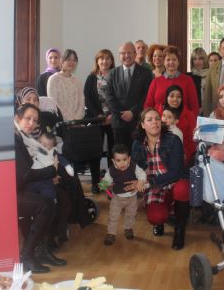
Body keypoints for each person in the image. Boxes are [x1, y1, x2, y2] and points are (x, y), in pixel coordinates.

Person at [14, 103, 67, 273]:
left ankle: (42, 250)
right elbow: (24, 175)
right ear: (17, 118)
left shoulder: (24, 138)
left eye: (35, 120)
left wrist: (51, 173)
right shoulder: (15, 138)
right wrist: (51, 171)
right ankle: (28, 254)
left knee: (62, 199)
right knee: (46, 204)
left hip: (22, 186)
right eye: (27, 118)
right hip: (11, 191)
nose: (31, 123)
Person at [131, 108, 190, 250]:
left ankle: (179, 230)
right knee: (155, 217)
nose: (155, 122)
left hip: (172, 181)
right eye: (149, 119)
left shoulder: (173, 140)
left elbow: (176, 171)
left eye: (157, 118)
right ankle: (164, 217)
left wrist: (150, 183)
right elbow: (133, 169)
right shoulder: (137, 144)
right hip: (154, 187)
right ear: (142, 125)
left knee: (183, 189)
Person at [106, 42, 152, 147]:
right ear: (119, 56)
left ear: (135, 54)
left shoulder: (146, 73)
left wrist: (132, 112)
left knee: (137, 155)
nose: (127, 56)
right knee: (119, 155)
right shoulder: (112, 73)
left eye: (130, 52)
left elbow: (146, 96)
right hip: (118, 123)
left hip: (137, 121)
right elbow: (109, 97)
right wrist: (121, 113)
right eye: (123, 53)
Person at [100, 144, 147, 246]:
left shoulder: (134, 166)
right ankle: (111, 233)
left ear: (129, 159)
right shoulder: (112, 170)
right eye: (118, 160)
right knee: (113, 217)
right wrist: (103, 184)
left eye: (124, 159)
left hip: (132, 197)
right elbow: (107, 180)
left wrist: (141, 182)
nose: (122, 163)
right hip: (117, 198)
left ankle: (128, 228)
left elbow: (142, 174)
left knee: (131, 215)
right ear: (113, 161)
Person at [83, 49, 115, 192]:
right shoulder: (91, 78)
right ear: (97, 61)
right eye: (101, 58)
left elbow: (120, 97)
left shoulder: (116, 76)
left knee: (113, 152)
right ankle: (96, 183)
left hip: (113, 120)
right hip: (96, 120)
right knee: (95, 152)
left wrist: (111, 116)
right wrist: (99, 116)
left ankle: (110, 183)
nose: (104, 61)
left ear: (111, 61)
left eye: (108, 58)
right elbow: (88, 99)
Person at [144, 45, 200, 117]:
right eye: (168, 60)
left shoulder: (187, 80)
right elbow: (148, 105)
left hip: (183, 123)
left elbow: (194, 106)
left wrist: (192, 123)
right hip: (159, 123)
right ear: (164, 62)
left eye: (174, 59)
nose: (171, 62)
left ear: (178, 62)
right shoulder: (156, 82)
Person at [156, 85, 197, 167]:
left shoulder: (189, 115)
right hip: (159, 150)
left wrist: (186, 154)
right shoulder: (158, 112)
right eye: (171, 96)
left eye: (179, 96)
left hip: (182, 153)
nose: (175, 99)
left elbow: (193, 140)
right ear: (166, 97)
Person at [47, 49, 85, 121]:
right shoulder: (53, 79)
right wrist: (69, 120)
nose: (72, 62)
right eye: (68, 59)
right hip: (61, 121)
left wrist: (76, 119)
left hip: (77, 122)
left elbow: (81, 102)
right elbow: (54, 103)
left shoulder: (77, 80)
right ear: (62, 61)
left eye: (74, 60)